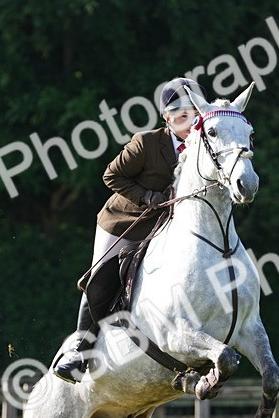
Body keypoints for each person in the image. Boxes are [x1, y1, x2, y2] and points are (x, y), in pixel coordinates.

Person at [53, 76, 206, 383]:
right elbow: (111, 176)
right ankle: (79, 351)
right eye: (185, 114)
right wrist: (147, 197)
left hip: (168, 226)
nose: (192, 120)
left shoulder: (203, 146)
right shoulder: (147, 143)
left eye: (196, 113)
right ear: (168, 117)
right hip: (126, 221)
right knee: (101, 276)